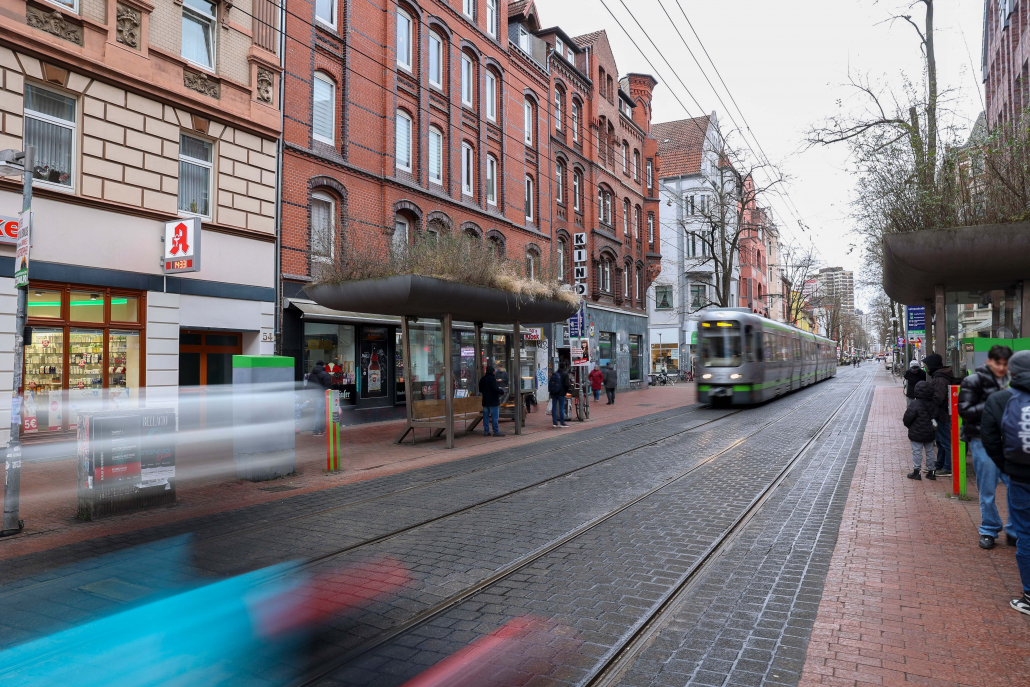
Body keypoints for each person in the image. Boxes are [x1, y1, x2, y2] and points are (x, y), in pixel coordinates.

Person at [980, 349, 1030, 616]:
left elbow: (989, 439)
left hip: (1021, 479)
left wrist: (1007, 467)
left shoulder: (1000, 399)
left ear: (1012, 372)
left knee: (1026, 536)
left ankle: (1029, 597)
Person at [959, 345, 1013, 549]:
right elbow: (965, 411)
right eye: (998, 363)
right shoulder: (973, 381)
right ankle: (989, 529)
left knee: (1016, 486)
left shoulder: (1013, 380)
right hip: (983, 440)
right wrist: (995, 402)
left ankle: (1014, 529)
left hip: (1009, 441)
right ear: (989, 361)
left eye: (1005, 364)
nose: (1001, 367)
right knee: (987, 488)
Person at [924, 353, 956, 476]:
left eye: (926, 366)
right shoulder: (940, 376)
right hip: (941, 414)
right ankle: (940, 464)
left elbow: (937, 398)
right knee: (940, 441)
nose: (925, 369)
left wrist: (928, 404)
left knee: (945, 442)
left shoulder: (939, 379)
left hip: (943, 414)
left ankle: (947, 467)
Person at [903, 380, 937, 480]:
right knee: (930, 451)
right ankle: (932, 471)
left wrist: (909, 426)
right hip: (929, 432)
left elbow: (907, 418)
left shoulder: (915, 404)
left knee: (917, 452)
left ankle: (916, 472)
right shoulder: (933, 403)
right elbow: (936, 415)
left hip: (916, 432)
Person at [307, 360, 332, 436]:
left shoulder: (312, 374)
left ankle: (321, 429)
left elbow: (308, 385)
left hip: (313, 396)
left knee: (319, 413)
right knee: (319, 414)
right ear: (323, 365)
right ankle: (316, 431)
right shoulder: (324, 374)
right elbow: (328, 386)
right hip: (320, 396)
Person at [478, 365, 503, 436]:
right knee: (494, 417)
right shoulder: (492, 379)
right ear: (493, 372)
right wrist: (501, 391)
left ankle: (486, 431)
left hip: (485, 400)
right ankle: (496, 431)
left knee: (486, 417)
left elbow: (480, 389)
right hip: (493, 401)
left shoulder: (482, 379)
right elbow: (495, 389)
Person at [548, 362, 571, 428]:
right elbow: (567, 384)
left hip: (554, 393)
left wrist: (551, 392)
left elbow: (551, 384)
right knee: (561, 408)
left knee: (554, 408)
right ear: (564, 367)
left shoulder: (555, 373)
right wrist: (566, 391)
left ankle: (554, 423)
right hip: (561, 393)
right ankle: (562, 423)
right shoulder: (565, 374)